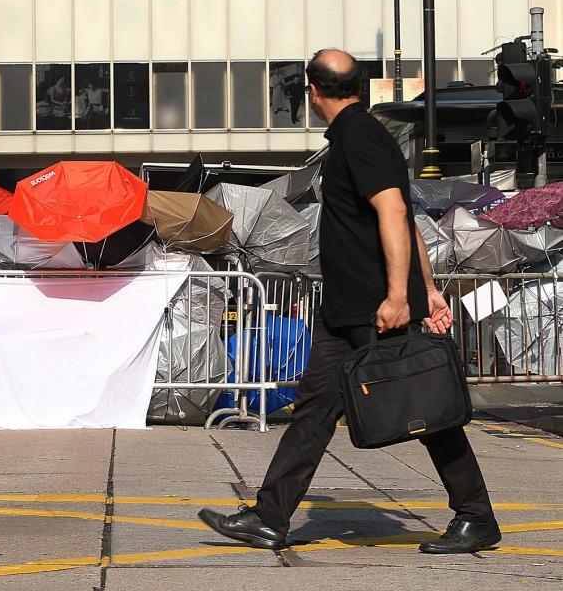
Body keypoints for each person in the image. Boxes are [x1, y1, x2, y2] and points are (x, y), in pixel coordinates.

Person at [198, 49, 500, 555]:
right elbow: (405, 217)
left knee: (428, 409)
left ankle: (477, 517)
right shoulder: (357, 137)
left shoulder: (360, 137)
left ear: (312, 93)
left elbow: (392, 211)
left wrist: (403, 295)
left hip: (377, 309)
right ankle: (270, 517)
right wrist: (427, 287)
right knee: (314, 412)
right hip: (348, 311)